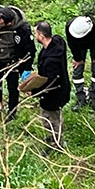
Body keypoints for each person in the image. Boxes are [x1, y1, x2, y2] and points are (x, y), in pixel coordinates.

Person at [30, 21, 70, 151]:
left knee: (53, 119)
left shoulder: (51, 61)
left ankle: (57, 144)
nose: (35, 35)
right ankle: (52, 137)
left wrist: (33, 91)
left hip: (53, 94)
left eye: (36, 33)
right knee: (47, 116)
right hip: (60, 88)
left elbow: (49, 82)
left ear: (41, 35)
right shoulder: (58, 42)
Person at [65, 15, 95, 112]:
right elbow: (71, 43)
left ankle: (94, 97)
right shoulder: (70, 26)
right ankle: (80, 97)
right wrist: (77, 58)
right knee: (77, 69)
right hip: (78, 47)